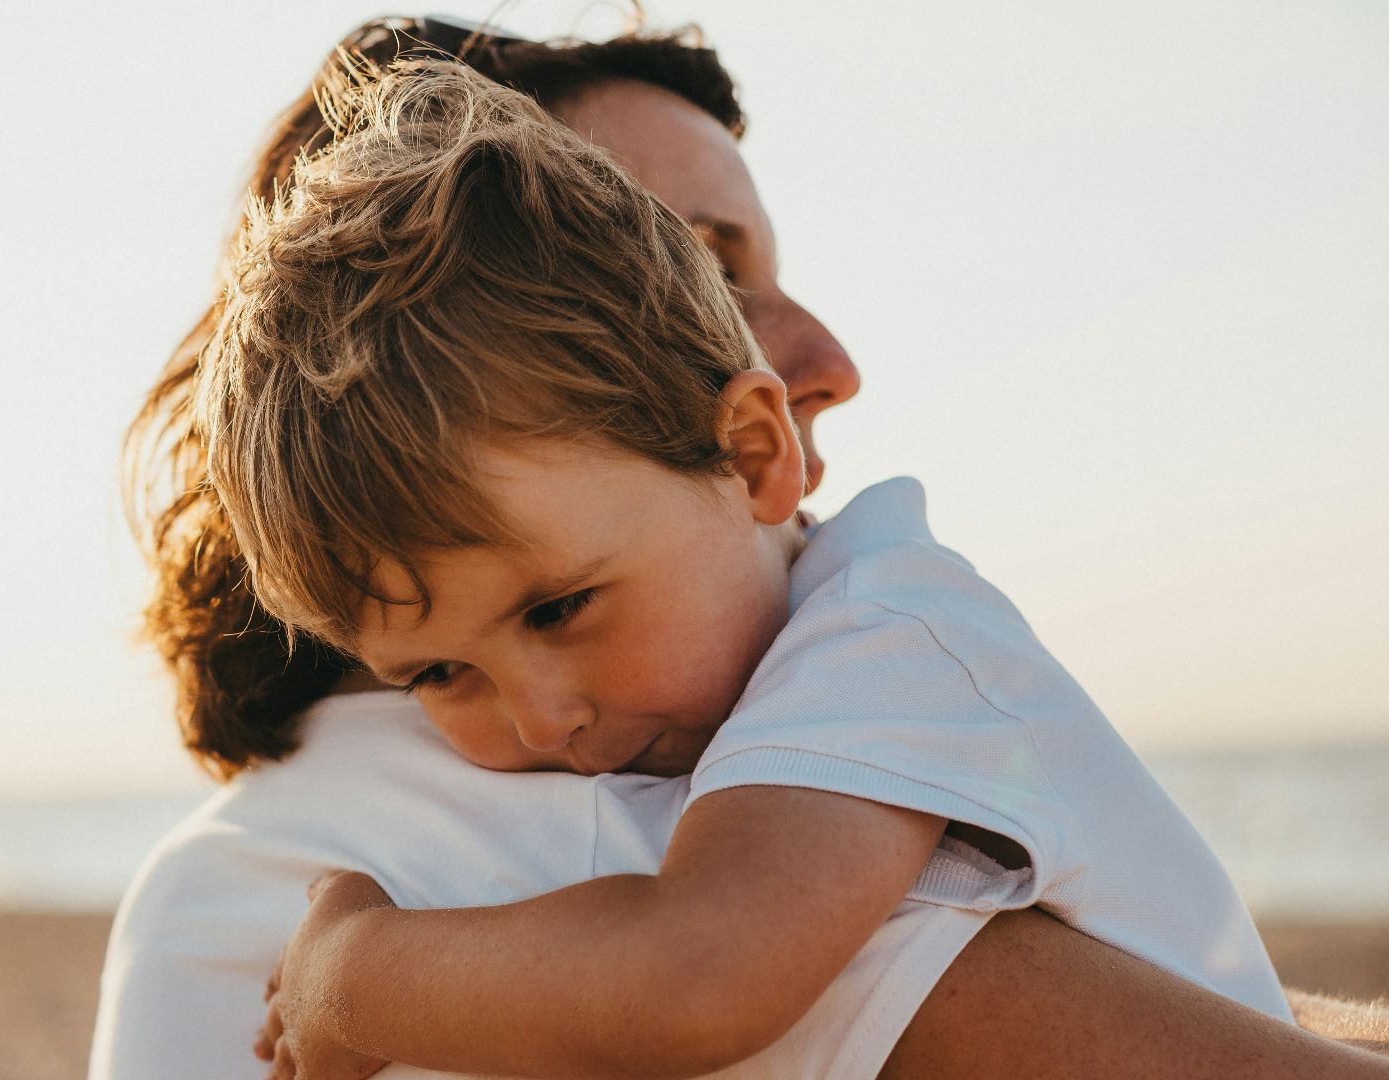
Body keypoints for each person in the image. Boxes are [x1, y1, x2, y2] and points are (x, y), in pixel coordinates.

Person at [91, 17, 1389, 1080]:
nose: (827, 359)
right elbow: (698, 966)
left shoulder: (864, 643)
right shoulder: (536, 833)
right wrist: (350, 972)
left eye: (557, 610)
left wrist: (358, 975)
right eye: (695, 271)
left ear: (749, 451)